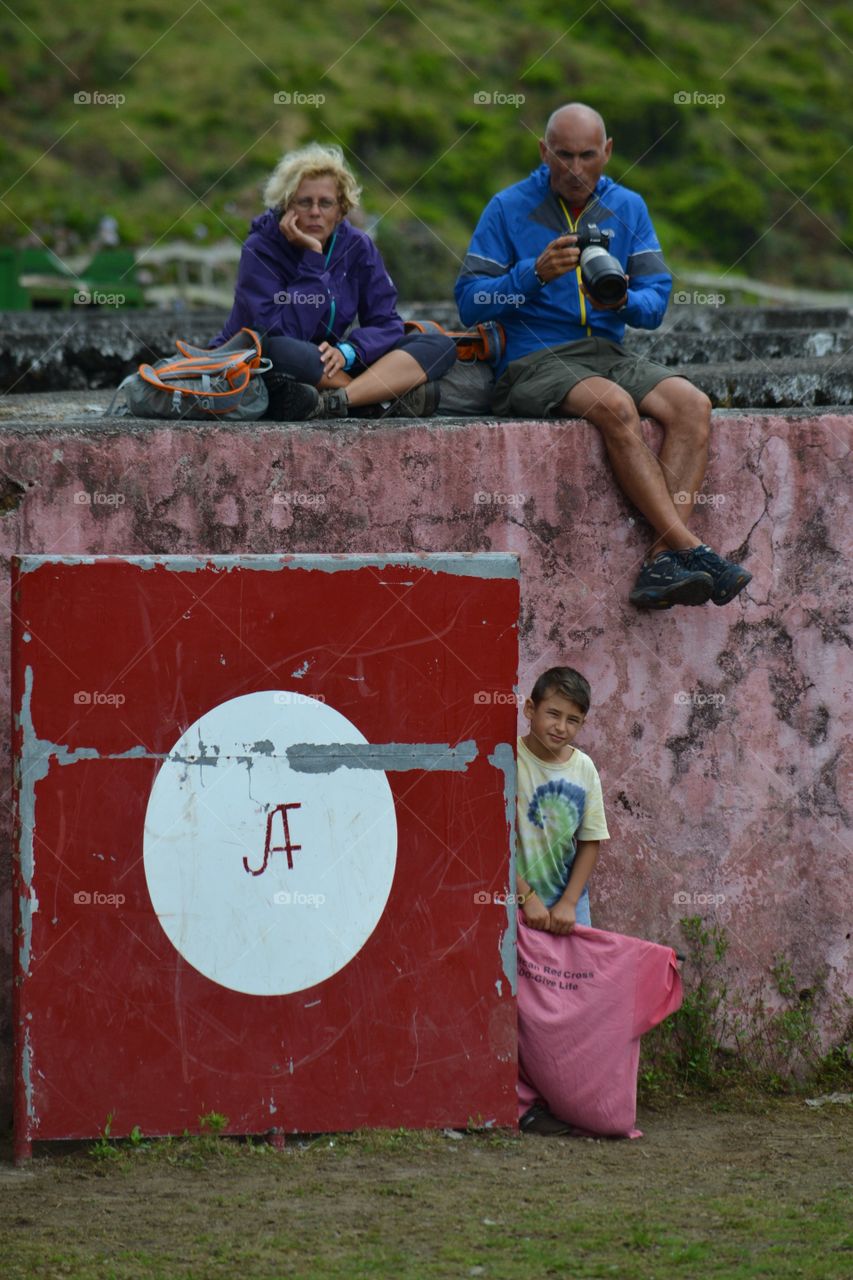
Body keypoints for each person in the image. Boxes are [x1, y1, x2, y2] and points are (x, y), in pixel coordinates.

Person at [455, 103, 751, 611]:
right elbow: (468, 301)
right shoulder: (507, 207)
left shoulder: (628, 207)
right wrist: (533, 273)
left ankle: (664, 561)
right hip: (533, 359)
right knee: (615, 406)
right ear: (543, 151)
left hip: (608, 350)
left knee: (692, 404)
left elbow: (656, 303)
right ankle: (691, 549)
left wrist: (623, 301)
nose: (574, 169)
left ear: (607, 152)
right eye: (563, 155)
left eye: (587, 155)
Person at [210, 143, 456, 419]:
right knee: (278, 350)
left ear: (341, 210)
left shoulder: (358, 247)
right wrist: (313, 259)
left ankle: (341, 400)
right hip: (273, 360)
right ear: (286, 206)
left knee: (437, 343)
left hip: (331, 363)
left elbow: (386, 323)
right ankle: (377, 398)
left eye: (325, 203)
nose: (315, 211)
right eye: (304, 202)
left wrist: (349, 351)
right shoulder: (261, 248)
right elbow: (278, 332)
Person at [514, 665, 610, 1136]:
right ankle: (521, 1105)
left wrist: (569, 902)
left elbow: (590, 840)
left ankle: (569, 1097)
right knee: (518, 1004)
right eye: (553, 713)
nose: (561, 727)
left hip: (570, 904)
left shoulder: (583, 768)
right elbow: (491, 833)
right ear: (529, 709)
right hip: (514, 903)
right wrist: (525, 895)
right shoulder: (507, 759)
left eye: (573, 719)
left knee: (571, 1001)